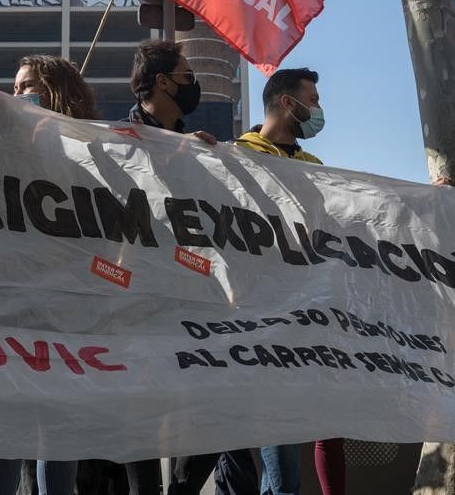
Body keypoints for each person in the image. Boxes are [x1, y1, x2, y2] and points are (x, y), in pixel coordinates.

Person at [118, 40, 257, 495]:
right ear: (161, 83)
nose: (192, 84)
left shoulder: (196, 146)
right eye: (185, 75)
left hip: (196, 301)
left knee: (216, 413)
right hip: (139, 303)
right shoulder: (120, 141)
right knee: (141, 427)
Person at [0, 55, 95, 495]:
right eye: (14, 87)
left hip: (65, 309)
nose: (16, 96)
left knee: (57, 430)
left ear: (56, 92)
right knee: (3, 427)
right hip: (6, 306)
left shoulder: (89, 148)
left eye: (26, 86)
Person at [232, 68, 346, 495]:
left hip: (312, 306)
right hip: (262, 309)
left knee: (324, 419)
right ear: (288, 103)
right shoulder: (238, 155)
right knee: (277, 425)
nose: (317, 110)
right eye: (313, 100)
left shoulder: (313, 165)